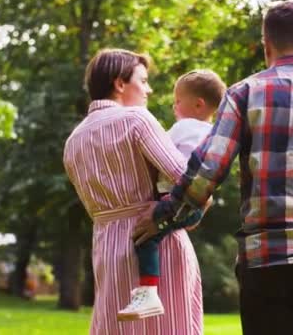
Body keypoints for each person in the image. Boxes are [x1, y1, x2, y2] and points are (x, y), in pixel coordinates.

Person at [134, 1, 293, 335]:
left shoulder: (243, 95)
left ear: (265, 45)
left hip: (265, 266)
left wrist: (164, 214)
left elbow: (208, 170)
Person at [63, 48, 203, 335]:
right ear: (119, 83)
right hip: (154, 242)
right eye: (143, 80)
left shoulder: (73, 141)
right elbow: (188, 179)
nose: (148, 89)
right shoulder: (137, 119)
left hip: (106, 248)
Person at [118, 69, 226, 321]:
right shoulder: (213, 134)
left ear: (198, 104)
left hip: (173, 203)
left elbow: (158, 151)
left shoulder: (183, 127)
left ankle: (148, 291)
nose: (173, 105)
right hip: (195, 205)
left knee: (145, 237)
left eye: (178, 101)